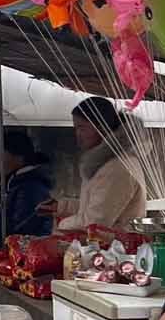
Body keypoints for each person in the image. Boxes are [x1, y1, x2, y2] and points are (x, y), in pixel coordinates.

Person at [50, 97, 144, 232]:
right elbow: (98, 205)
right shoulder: (107, 163)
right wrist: (61, 206)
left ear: (102, 127)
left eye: (82, 128)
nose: (78, 135)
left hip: (116, 249)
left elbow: (96, 222)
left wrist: (61, 226)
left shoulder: (117, 167)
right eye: (76, 128)